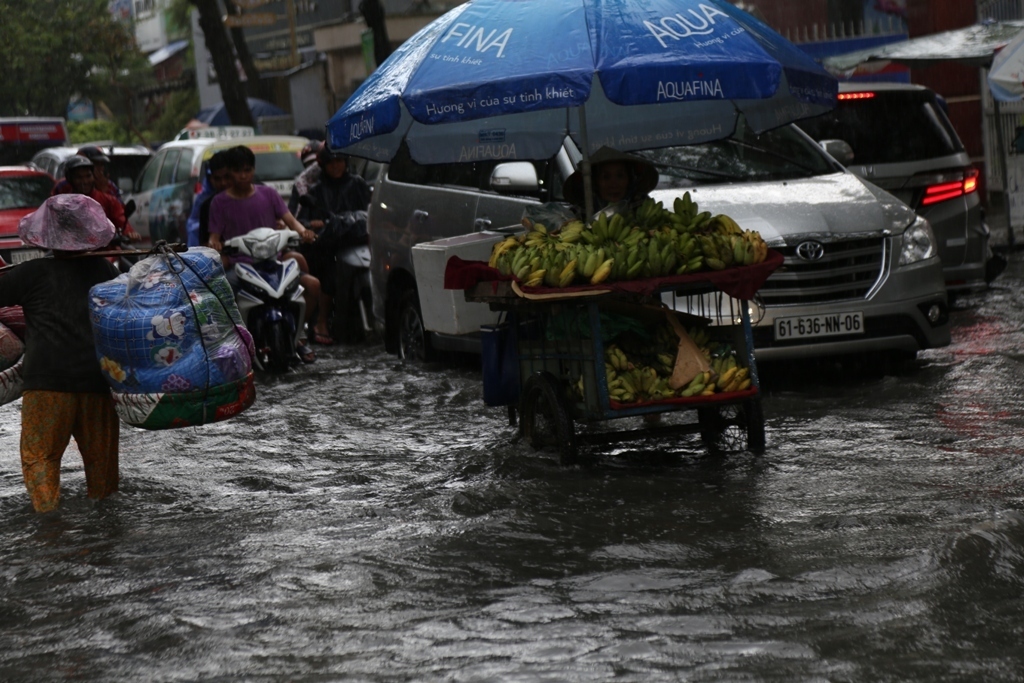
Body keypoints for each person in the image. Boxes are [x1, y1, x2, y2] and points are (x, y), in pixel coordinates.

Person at [0, 194, 121, 513]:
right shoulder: (106, 272)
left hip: (46, 387)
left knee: (40, 458)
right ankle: (104, 530)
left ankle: (49, 525)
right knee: (102, 469)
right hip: (97, 385)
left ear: (46, 237)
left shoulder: (30, 274)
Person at [207, 145, 320, 363]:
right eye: (238, 171)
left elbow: (291, 221)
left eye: (247, 170)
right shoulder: (219, 202)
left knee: (313, 285)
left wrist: (303, 232)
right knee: (221, 295)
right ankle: (236, 344)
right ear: (230, 172)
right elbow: (214, 236)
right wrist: (214, 245)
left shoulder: (268, 194)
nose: (243, 175)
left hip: (273, 264)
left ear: (253, 170)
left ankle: (298, 336)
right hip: (240, 268)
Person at [295, 146, 372, 345]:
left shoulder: (358, 184)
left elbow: (371, 208)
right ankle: (321, 321)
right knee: (329, 273)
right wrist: (313, 226)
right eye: (331, 162)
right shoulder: (316, 190)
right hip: (329, 246)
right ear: (323, 165)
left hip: (357, 241)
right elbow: (302, 221)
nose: (336, 166)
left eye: (339, 161)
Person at [61, 155, 140, 244]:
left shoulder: (109, 200)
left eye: (88, 176)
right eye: (79, 177)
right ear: (70, 179)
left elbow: (122, 222)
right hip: (74, 254)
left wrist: (130, 233)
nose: (85, 181)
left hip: (107, 252)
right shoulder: (64, 205)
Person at [562, 146, 659, 217]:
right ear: (595, 182)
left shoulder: (640, 204)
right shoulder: (582, 211)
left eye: (620, 176)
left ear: (629, 180)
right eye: (606, 177)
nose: (613, 184)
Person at [186, 150, 232, 247]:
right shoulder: (206, 206)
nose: (223, 183)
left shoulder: (256, 198)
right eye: (218, 179)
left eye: (227, 177)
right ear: (211, 179)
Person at [288, 140, 324, 215]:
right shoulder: (300, 183)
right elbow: (292, 212)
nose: (313, 166)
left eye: (316, 162)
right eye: (309, 163)